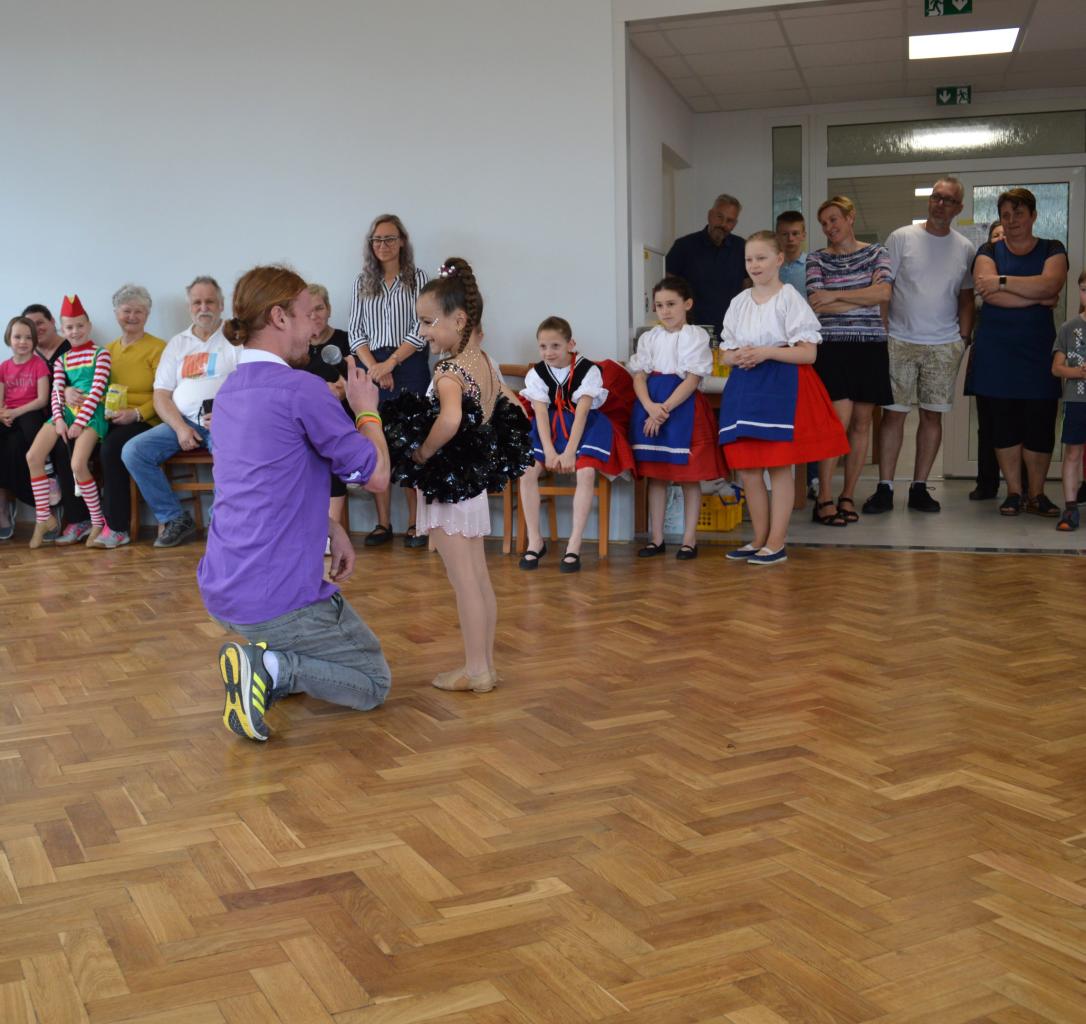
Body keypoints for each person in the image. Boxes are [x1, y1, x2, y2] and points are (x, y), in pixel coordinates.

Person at [197, 266, 392, 743]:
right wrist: (367, 409)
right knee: (372, 682)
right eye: (308, 315)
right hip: (274, 598)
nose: (315, 328)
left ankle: (267, 660)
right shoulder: (302, 389)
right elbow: (377, 477)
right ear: (279, 317)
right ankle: (270, 668)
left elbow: (259, 486)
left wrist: (330, 526)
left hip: (222, 588)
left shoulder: (228, 392)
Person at [384, 257, 531, 694]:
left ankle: (476, 669)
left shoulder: (449, 371)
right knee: (478, 578)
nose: (423, 332)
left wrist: (423, 452)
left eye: (429, 322)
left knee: (464, 581)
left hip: (450, 484)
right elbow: (515, 407)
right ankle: (484, 665)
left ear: (459, 319)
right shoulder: (483, 361)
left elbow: (448, 420)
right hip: (471, 485)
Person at [718, 232, 848, 565]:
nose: (754, 265)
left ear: (778, 260)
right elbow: (725, 352)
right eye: (749, 259)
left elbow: (808, 354)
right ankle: (758, 539)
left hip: (780, 386)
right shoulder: (739, 301)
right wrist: (738, 357)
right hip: (745, 387)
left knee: (778, 467)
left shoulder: (790, 298)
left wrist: (765, 352)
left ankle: (776, 542)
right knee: (748, 469)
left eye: (761, 258)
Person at [862, 177, 976, 516]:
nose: (940, 204)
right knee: (894, 415)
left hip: (943, 344)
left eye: (948, 200)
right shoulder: (901, 238)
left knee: (931, 415)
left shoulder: (965, 248)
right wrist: (883, 332)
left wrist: (962, 339)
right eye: (936, 197)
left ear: (959, 208)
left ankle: (919, 487)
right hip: (899, 340)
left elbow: (966, 297)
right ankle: (885, 487)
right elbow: (884, 288)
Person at [972, 188, 1069, 517]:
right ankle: (1014, 492)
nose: (1012, 221)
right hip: (996, 352)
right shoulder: (988, 250)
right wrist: (1037, 296)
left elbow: (1051, 285)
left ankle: (1036, 494)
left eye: (1018, 214)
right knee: (1004, 424)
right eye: (1005, 215)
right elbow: (989, 294)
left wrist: (1002, 281)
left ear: (1033, 216)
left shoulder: (1052, 248)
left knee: (1040, 424)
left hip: (1038, 352)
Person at [121, 276, 238, 547]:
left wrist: (229, 414)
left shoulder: (234, 339)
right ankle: (174, 518)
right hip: (183, 421)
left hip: (225, 421)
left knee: (232, 452)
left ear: (221, 305)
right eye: (197, 302)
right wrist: (180, 428)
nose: (203, 308)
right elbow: (161, 394)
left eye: (210, 302)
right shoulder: (178, 343)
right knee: (134, 451)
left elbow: (250, 385)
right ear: (189, 307)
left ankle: (220, 523)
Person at [517, 316, 634, 573]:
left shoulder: (588, 370)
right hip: (549, 428)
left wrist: (570, 451)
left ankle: (574, 544)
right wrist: (549, 451)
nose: (549, 352)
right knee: (526, 471)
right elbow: (540, 413)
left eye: (555, 346)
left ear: (571, 344)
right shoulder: (536, 373)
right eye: (543, 346)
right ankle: (535, 540)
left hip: (584, 427)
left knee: (586, 472)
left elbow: (582, 413)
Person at [807, 195, 893, 526]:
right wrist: (861, 297)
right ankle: (824, 497)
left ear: (850, 217)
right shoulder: (816, 259)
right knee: (837, 422)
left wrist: (836, 295)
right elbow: (817, 303)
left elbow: (883, 293)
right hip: (832, 348)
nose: (829, 227)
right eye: (824, 223)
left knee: (862, 423)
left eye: (834, 219)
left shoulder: (876, 253)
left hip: (870, 346)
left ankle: (847, 496)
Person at [61, 285, 167, 548]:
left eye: (139, 311)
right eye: (126, 311)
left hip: (146, 419)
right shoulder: (105, 350)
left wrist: (137, 413)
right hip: (105, 417)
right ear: (116, 314)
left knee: (110, 448)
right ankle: (82, 519)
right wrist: (66, 391)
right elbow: (84, 383)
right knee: (66, 443)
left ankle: (117, 528)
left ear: (147, 314)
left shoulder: (159, 348)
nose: (132, 316)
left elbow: (166, 392)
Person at [629, 275, 726, 559]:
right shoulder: (649, 338)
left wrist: (663, 410)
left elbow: (692, 380)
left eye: (671, 304)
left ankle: (689, 540)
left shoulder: (696, 336)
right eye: (659, 305)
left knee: (688, 477)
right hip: (651, 405)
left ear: (687, 304)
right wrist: (649, 406)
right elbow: (639, 376)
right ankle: (656, 539)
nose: (665, 311)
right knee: (656, 476)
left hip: (683, 408)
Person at [347, 213, 430, 548]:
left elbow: (421, 328)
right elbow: (355, 332)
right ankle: (383, 523)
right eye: (377, 240)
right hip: (372, 366)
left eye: (389, 238)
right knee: (376, 442)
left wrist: (391, 363)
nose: (383, 245)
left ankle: (416, 523)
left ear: (402, 242)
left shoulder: (418, 279)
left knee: (411, 443)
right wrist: (375, 368)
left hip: (409, 363)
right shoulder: (362, 281)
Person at [25, 295, 111, 548]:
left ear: (89, 326)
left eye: (80, 325)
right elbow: (56, 391)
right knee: (33, 457)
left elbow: (97, 391)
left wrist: (79, 422)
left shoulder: (101, 354)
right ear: (63, 329)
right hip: (66, 412)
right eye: (70, 327)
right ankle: (44, 517)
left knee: (77, 464)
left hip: (92, 414)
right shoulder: (62, 360)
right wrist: (60, 419)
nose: (75, 331)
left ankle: (96, 520)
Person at [22, 302, 84, 532]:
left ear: (52, 322)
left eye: (40, 322)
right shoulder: (28, 354)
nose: (36, 329)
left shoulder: (72, 346)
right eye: (31, 325)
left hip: (70, 416)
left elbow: (84, 382)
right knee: (14, 443)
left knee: (61, 447)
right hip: (38, 419)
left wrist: (66, 391)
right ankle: (43, 510)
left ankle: (77, 518)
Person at [302, 283, 354, 533]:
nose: (314, 316)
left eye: (319, 308)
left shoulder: (345, 341)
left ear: (329, 309)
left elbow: (350, 385)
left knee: (330, 451)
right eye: (308, 311)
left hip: (339, 419)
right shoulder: (295, 347)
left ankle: (328, 532)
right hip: (304, 420)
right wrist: (322, 392)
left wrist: (341, 391)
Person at [666, 194, 748, 332]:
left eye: (729, 220)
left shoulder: (743, 248)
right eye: (719, 217)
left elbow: (749, 287)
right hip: (690, 330)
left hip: (732, 331)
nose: (723, 224)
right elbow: (668, 287)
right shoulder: (684, 246)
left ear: (734, 224)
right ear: (710, 215)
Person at [965, 221, 1006, 500]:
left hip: (1020, 356)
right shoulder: (981, 267)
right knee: (988, 422)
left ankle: (1022, 486)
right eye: (995, 235)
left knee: (1017, 421)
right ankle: (986, 483)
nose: (1000, 238)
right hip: (987, 355)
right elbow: (980, 300)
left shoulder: (1029, 264)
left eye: (1004, 234)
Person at [0, 317, 50, 540]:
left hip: (30, 413)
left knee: (23, 434)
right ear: (8, 339)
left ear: (34, 340)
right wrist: (2, 413)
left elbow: (42, 400)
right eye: (17, 337)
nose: (23, 342)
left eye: (28, 337)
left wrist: (15, 412)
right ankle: (4, 508)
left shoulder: (38, 364)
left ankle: (46, 468)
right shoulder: (4, 367)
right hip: (10, 415)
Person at [1051, 270, 1086, 531]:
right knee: (1073, 452)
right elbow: (1056, 368)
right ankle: (1071, 508)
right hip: (1077, 401)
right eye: (1084, 289)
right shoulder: (1069, 328)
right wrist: (1077, 372)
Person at [776, 211, 808, 294]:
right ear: (777, 236)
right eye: (784, 234)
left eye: (795, 233)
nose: (790, 239)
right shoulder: (770, 266)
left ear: (803, 236)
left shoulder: (812, 265)